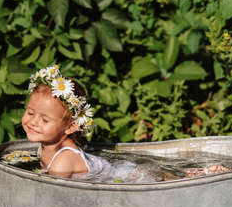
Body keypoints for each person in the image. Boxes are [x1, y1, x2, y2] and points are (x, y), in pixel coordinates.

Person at [21, 65, 165, 183]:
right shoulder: (46, 145)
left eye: (45, 120)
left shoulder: (63, 161)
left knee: (164, 181)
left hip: (131, 177)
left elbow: (55, 196)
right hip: (113, 169)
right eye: (30, 113)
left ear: (71, 126)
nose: (33, 122)